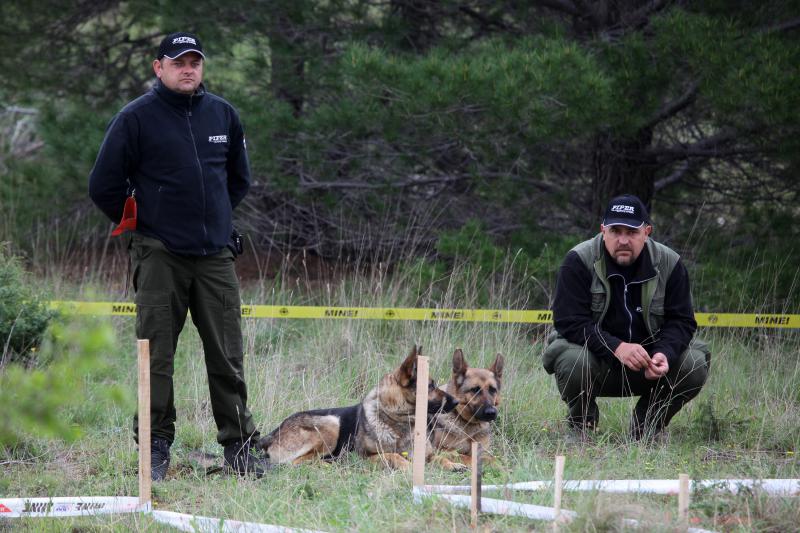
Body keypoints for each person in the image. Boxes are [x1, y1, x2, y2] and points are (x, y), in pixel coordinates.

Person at [89, 32, 266, 479]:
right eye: (178, 62)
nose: (188, 69)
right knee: (156, 355)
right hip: (159, 255)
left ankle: (239, 447)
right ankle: (154, 447)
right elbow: (103, 186)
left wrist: (214, 221)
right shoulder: (136, 118)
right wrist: (145, 226)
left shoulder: (223, 114)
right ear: (159, 68)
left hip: (215, 257)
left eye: (195, 62)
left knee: (227, 355)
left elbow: (237, 181)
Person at [542, 194, 710, 441]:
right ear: (603, 231)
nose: (623, 240)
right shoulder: (578, 260)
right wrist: (617, 348)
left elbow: (682, 321)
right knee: (570, 359)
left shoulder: (670, 263)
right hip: (597, 363)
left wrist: (665, 353)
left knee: (694, 364)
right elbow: (570, 322)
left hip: (649, 366)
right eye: (615, 231)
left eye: (631, 232)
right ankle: (582, 426)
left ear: (647, 232)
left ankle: (647, 427)